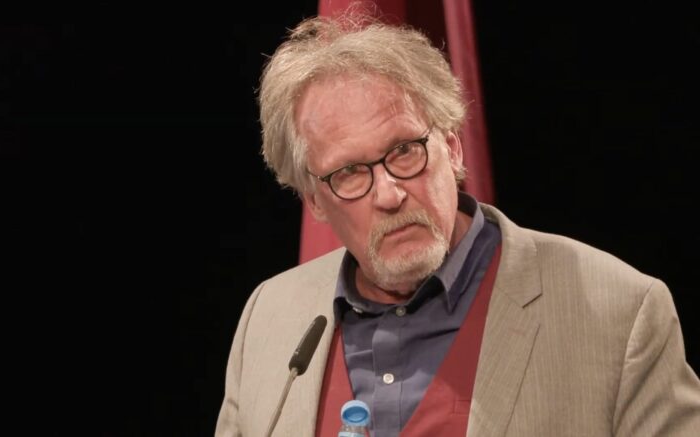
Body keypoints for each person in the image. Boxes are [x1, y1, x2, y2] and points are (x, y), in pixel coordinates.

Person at [216, 10, 700, 437]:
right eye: (350, 173)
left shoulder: (622, 313)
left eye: (404, 151)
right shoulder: (269, 317)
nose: (389, 194)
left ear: (451, 147)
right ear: (315, 202)